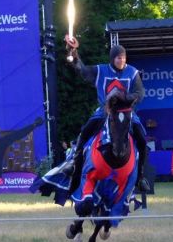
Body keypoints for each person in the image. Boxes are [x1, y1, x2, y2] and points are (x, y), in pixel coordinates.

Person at [62, 37, 150, 192]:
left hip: (126, 111)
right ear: (112, 58)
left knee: (142, 138)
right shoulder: (100, 70)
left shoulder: (132, 72)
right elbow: (82, 70)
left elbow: (140, 93)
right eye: (118, 57)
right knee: (85, 132)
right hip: (105, 111)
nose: (121, 60)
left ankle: (141, 176)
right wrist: (73, 53)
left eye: (123, 57)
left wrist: (124, 98)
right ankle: (74, 164)